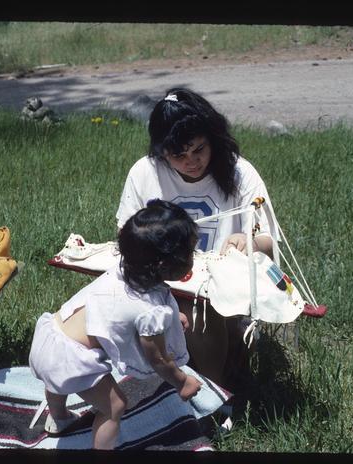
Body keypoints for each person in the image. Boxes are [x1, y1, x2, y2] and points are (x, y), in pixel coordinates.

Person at [115, 87, 280, 388]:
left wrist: (249, 242)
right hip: (161, 281)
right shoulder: (145, 172)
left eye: (199, 150)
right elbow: (126, 236)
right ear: (162, 151)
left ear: (212, 139)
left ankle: (213, 396)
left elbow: (271, 241)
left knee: (200, 317)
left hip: (220, 288)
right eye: (179, 155)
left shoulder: (239, 172)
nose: (192, 161)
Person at [29, 200, 203, 450]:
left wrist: (172, 319)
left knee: (57, 377)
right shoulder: (150, 312)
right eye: (190, 254)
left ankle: (58, 417)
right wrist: (182, 382)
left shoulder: (123, 272)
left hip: (50, 337)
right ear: (165, 266)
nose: (193, 258)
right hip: (70, 359)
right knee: (115, 406)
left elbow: (123, 312)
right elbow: (159, 359)